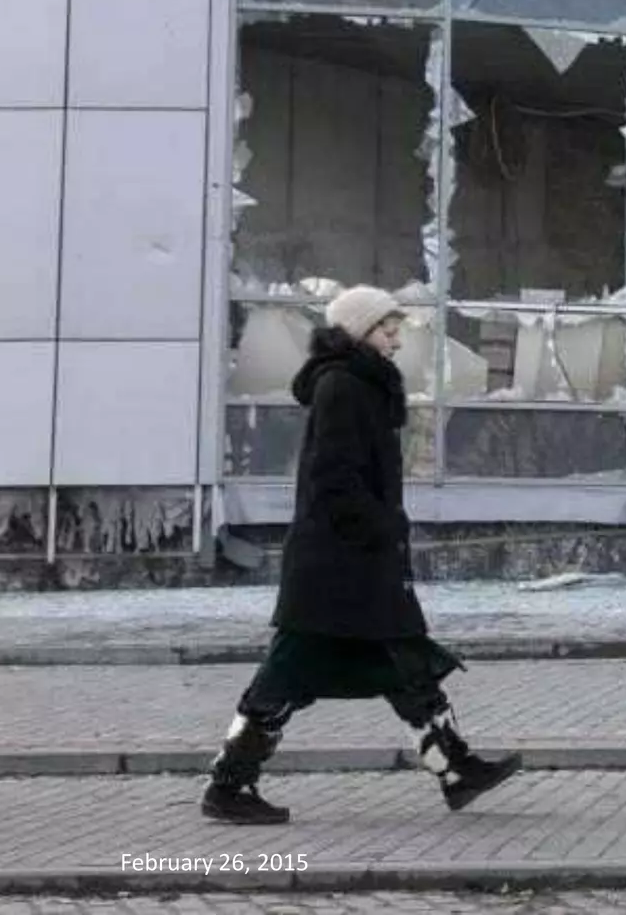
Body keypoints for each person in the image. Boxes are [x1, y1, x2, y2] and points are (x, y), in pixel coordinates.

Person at [202, 286, 521, 825]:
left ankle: (456, 768)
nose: (396, 341)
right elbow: (333, 478)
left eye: (396, 331)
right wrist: (380, 525)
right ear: (359, 333)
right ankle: (228, 784)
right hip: (335, 565)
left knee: (405, 661)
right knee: (287, 672)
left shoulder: (359, 384)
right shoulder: (343, 387)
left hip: (356, 560)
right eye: (387, 331)